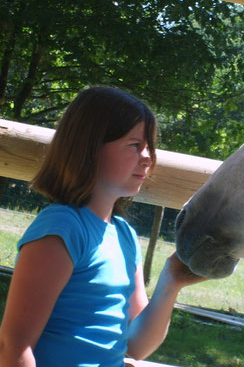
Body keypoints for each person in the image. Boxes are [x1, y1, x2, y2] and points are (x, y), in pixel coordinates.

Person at [0, 86, 205, 367]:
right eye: (134, 145)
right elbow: (14, 347)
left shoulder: (124, 235)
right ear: (90, 147)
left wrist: (171, 282)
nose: (148, 157)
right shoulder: (62, 229)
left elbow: (136, 345)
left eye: (149, 147)